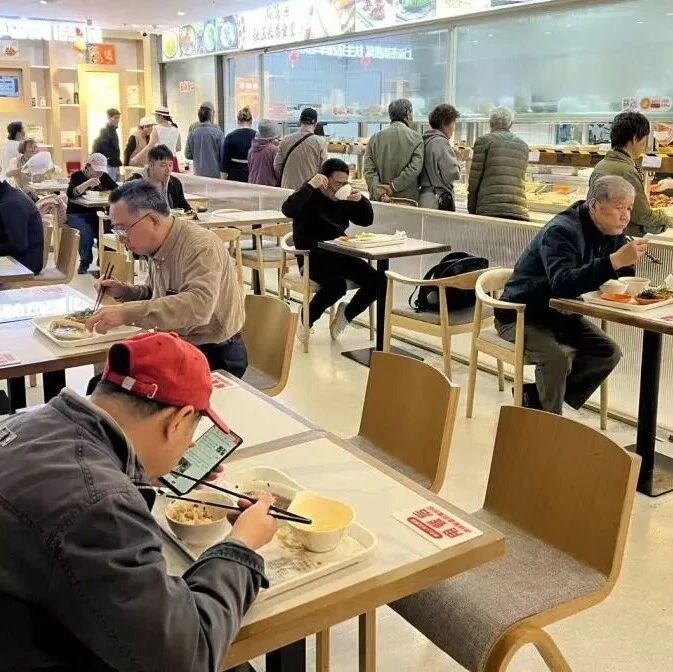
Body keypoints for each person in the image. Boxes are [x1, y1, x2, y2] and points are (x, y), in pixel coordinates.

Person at [0, 331, 276, 670]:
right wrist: (242, 545)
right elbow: (189, 656)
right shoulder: (101, 508)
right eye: (192, 431)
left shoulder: (26, 422)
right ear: (178, 421)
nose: (190, 445)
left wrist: (134, 472)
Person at [495, 175, 646, 415]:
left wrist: (624, 264)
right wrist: (614, 261)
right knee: (556, 359)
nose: (626, 216)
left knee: (608, 352)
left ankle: (534, 398)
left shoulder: (612, 231)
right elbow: (562, 283)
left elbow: (617, 278)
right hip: (523, 313)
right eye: (619, 207)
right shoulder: (561, 231)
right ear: (595, 205)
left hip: (563, 314)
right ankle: (550, 423)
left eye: (629, 208)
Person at [85, 180, 248, 377]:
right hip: (178, 343)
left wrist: (125, 313)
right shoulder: (158, 245)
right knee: (106, 379)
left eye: (123, 229)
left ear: (153, 220)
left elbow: (199, 306)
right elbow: (156, 294)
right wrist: (125, 292)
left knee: (116, 384)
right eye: (116, 230)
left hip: (214, 352)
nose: (121, 238)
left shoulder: (200, 246)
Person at [281, 158, 376, 341]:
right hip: (311, 257)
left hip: (340, 254)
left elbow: (366, 221)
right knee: (336, 285)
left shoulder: (344, 198)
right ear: (324, 180)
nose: (341, 187)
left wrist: (361, 200)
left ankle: (346, 314)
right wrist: (310, 185)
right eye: (337, 183)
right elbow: (288, 209)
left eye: (345, 183)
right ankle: (307, 319)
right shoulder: (310, 195)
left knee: (378, 280)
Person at [591, 111, 672, 236]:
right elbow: (642, 216)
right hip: (621, 238)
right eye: (644, 140)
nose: (644, 146)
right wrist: (665, 219)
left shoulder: (600, 165)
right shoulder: (627, 172)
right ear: (635, 139)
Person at [468, 107, 529, 221]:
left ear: (491, 123)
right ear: (510, 124)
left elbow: (474, 180)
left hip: (489, 209)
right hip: (518, 210)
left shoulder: (483, 141)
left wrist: (471, 208)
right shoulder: (524, 145)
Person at [363, 98, 424, 203]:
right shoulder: (416, 138)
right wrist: (393, 186)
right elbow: (414, 168)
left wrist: (381, 193)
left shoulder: (374, 138)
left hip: (381, 201)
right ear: (408, 114)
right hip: (406, 201)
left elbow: (369, 171)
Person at [66, 152, 118, 274]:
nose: (99, 173)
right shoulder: (77, 176)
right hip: (76, 213)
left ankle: (105, 259)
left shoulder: (103, 177)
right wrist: (87, 184)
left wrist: (107, 192)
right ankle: (85, 261)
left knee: (107, 229)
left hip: (96, 212)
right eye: (97, 170)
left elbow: (116, 189)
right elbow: (71, 194)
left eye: (101, 171)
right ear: (88, 167)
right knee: (86, 232)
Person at [419, 104, 461, 210]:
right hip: (437, 199)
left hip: (424, 196)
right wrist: (457, 160)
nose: (454, 128)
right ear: (444, 124)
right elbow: (451, 174)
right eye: (453, 123)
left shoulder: (425, 140)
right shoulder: (441, 142)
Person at [274, 107, 328, 190]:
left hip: (287, 189)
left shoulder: (285, 140)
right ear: (315, 124)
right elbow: (324, 168)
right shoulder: (320, 142)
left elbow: (277, 165)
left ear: (300, 121)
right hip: (308, 190)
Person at [0, 175, 44, 275]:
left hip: (25, 264)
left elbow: (17, 246)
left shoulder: (10, 203)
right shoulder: (7, 196)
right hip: (16, 259)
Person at [130, 144, 192, 212]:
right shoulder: (133, 184)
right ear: (151, 165)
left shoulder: (175, 183)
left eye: (170, 165)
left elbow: (185, 208)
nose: (168, 170)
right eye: (163, 165)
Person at [185, 103, 224, 178]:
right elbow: (223, 156)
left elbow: (187, 155)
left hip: (198, 174)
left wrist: (198, 156)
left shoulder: (192, 133)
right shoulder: (218, 133)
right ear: (211, 115)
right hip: (214, 175)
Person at [221, 107, 256, 183]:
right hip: (252, 174)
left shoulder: (230, 137)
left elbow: (225, 162)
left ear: (238, 121)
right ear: (251, 121)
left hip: (234, 175)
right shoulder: (257, 137)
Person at [248, 119, 281, 187]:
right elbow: (278, 170)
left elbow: (250, 167)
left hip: (253, 184)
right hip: (269, 187)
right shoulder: (274, 150)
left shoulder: (251, 149)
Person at [93, 108, 122, 181]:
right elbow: (103, 148)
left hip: (114, 164)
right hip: (109, 164)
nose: (117, 120)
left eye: (118, 118)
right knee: (110, 185)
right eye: (115, 118)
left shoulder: (113, 130)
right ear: (109, 118)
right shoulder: (105, 131)